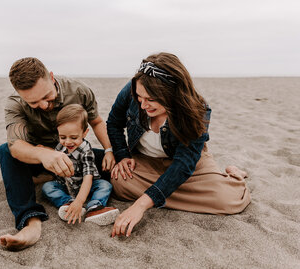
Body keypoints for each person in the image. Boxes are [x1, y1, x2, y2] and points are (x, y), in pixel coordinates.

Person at [106, 52, 251, 237]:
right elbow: (114, 122)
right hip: (145, 161)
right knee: (118, 182)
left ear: (172, 93)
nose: (143, 105)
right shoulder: (134, 89)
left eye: (151, 100)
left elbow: (183, 164)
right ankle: (162, 192)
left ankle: (235, 176)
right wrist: (123, 155)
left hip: (186, 166)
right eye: (139, 98)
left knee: (228, 200)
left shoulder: (198, 110)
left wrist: (140, 205)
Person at [0, 57, 115, 250]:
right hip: (38, 159)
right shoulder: (15, 104)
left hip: (75, 157)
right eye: (33, 102)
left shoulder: (78, 90)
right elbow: (15, 146)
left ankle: (93, 203)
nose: (43, 105)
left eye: (46, 96)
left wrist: (110, 151)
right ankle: (31, 222)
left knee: (110, 164)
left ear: (51, 77)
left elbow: (96, 122)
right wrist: (45, 155)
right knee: (5, 152)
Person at [42, 104, 120, 225]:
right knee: (47, 187)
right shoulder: (60, 147)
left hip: (87, 185)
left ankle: (94, 207)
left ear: (84, 133)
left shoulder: (86, 151)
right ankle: (68, 203)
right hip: (67, 185)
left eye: (73, 137)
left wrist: (80, 201)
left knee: (105, 185)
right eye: (62, 137)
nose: (67, 142)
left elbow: (88, 177)